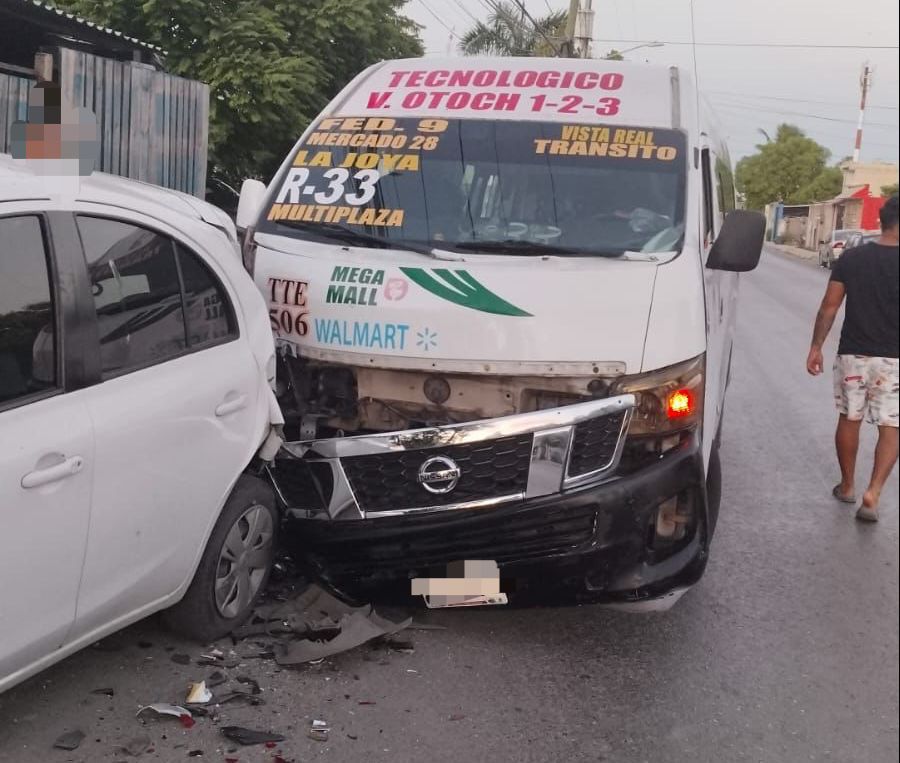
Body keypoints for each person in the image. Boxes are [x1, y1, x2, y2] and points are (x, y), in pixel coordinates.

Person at [806, 195, 899, 522]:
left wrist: (816, 346)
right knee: (892, 425)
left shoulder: (853, 257)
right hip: (895, 360)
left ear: (881, 221)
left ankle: (847, 486)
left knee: (850, 417)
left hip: (853, 354)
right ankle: (873, 493)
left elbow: (829, 306)